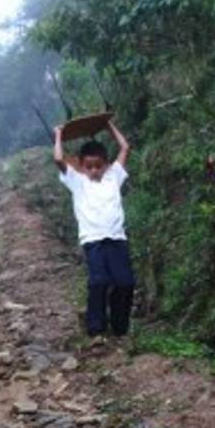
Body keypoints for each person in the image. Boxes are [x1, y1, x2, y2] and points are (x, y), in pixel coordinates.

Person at [53, 120, 135, 339]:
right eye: (88, 166)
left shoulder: (113, 177)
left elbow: (125, 147)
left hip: (117, 239)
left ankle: (120, 328)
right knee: (99, 281)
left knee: (125, 283)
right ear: (80, 165)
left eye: (98, 165)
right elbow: (58, 158)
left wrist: (110, 126)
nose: (94, 170)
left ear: (106, 164)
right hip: (93, 241)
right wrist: (59, 134)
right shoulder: (77, 181)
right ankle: (95, 328)